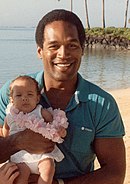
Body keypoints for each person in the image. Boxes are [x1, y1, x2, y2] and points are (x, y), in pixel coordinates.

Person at [0, 9, 126, 184]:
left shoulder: (101, 104)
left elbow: (114, 173)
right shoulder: (14, 92)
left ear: (83, 50)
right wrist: (16, 141)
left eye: (72, 45)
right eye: (54, 46)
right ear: (40, 51)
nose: (63, 54)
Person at [1, 75, 68, 184]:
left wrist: (61, 132)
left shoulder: (41, 112)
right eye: (19, 95)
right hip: (20, 155)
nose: (24, 98)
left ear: (37, 98)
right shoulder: (10, 116)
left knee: (48, 168)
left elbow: (55, 125)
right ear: (12, 100)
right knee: (20, 176)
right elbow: (5, 132)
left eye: (30, 94)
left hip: (42, 154)